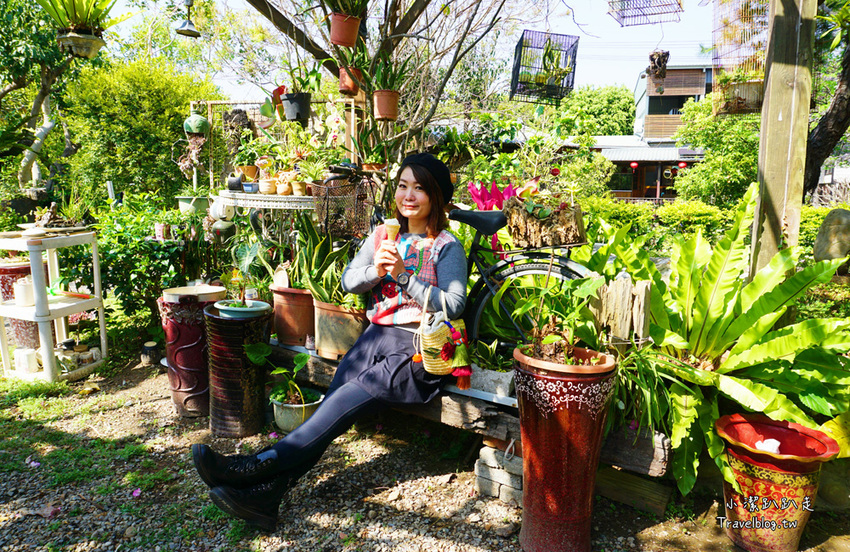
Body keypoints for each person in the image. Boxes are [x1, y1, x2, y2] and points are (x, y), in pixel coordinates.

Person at [191, 152, 467, 531]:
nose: (408, 195)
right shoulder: (383, 234)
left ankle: (255, 465)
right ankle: (267, 495)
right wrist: (376, 270)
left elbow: (454, 305)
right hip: (375, 338)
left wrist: (404, 277)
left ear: (435, 196)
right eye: (403, 185)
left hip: (415, 349)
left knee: (338, 406)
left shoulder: (446, 245)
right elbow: (348, 281)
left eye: (419, 188)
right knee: (330, 411)